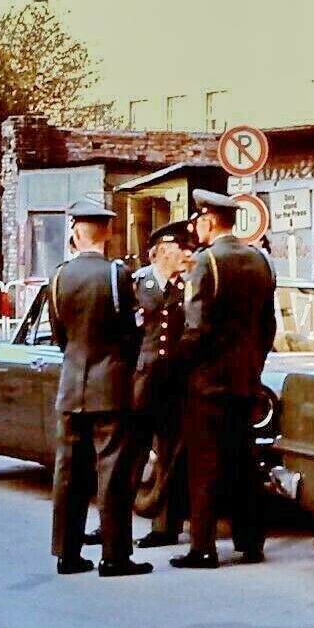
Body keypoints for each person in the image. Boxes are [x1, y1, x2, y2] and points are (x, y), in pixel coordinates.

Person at [171, 190, 276, 570]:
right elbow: (268, 326)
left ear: (209, 221)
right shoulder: (259, 261)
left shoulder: (206, 263)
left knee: (205, 465)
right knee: (244, 462)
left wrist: (180, 371)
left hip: (208, 384)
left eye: (198, 221)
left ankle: (203, 546)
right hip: (246, 382)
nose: (196, 228)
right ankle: (251, 542)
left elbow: (195, 329)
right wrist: (253, 367)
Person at [47, 201, 150, 578]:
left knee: (69, 472)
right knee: (113, 472)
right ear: (106, 232)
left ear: (75, 233)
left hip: (72, 384)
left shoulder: (58, 277)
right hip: (111, 385)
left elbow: (59, 335)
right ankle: (114, 555)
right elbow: (132, 331)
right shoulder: (117, 274)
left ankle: (67, 553)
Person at [130, 220, 196, 550]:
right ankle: (112, 521)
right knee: (132, 452)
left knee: (170, 454)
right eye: (180, 249)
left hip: (174, 383)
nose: (186, 254)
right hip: (142, 381)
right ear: (162, 252)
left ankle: (165, 526)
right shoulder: (137, 284)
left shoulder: (186, 288)